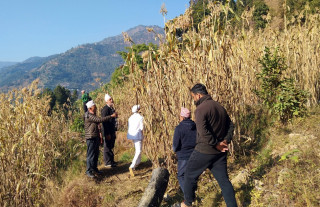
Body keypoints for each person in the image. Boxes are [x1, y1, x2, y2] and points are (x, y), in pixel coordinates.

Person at [181, 83, 237, 207]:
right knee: (224, 182)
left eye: (193, 97)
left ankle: (187, 203)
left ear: (198, 95)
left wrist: (216, 143)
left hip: (204, 151)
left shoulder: (200, 109)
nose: (193, 100)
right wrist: (225, 141)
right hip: (219, 153)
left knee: (189, 174)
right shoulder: (219, 106)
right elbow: (231, 125)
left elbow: (202, 132)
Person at [84, 100, 117, 178]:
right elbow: (99, 120)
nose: (96, 108)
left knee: (95, 154)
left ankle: (94, 169)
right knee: (91, 155)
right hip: (90, 138)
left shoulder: (91, 114)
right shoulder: (89, 115)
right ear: (90, 108)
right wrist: (111, 116)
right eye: (94, 107)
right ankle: (89, 171)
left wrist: (100, 136)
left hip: (94, 137)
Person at [172, 107, 197, 194]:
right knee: (191, 175)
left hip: (183, 156)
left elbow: (175, 144)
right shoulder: (196, 126)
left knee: (181, 175)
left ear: (182, 117)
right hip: (195, 154)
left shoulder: (179, 128)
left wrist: (175, 151)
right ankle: (192, 192)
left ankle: (188, 196)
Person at [101, 94, 118, 167]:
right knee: (107, 147)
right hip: (108, 131)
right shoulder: (105, 109)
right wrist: (107, 133)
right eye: (110, 99)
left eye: (111, 99)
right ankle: (108, 162)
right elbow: (104, 122)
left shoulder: (111, 109)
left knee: (111, 145)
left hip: (112, 130)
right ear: (106, 101)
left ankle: (111, 161)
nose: (112, 100)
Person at [127, 105, 144, 177]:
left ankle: (138, 163)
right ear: (138, 110)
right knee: (138, 151)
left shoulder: (130, 118)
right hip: (137, 135)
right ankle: (132, 165)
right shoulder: (140, 117)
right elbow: (142, 128)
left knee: (138, 149)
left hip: (132, 136)